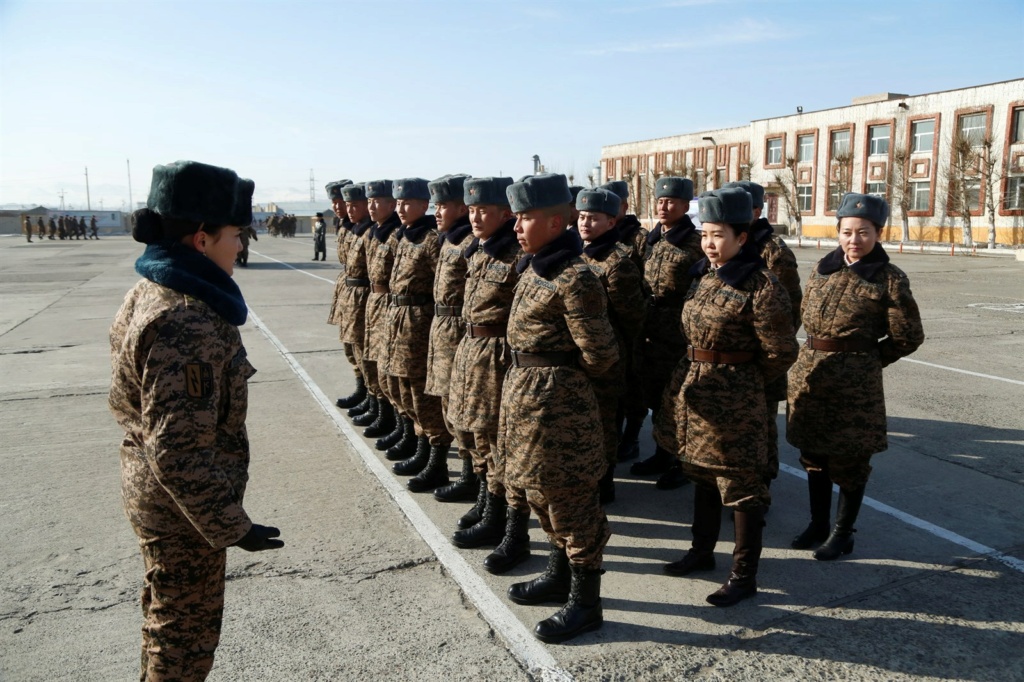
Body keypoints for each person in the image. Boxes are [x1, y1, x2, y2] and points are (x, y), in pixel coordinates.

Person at [108, 160, 284, 681]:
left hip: (159, 492)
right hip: (181, 509)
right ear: (202, 240)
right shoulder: (188, 316)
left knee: (165, 620)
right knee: (184, 638)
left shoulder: (151, 290)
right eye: (236, 234)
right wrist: (234, 525)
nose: (240, 245)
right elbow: (178, 450)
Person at [655, 187, 797, 607]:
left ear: (742, 238)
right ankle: (701, 553)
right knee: (699, 472)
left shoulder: (762, 287)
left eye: (719, 235)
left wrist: (742, 380)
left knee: (741, 486)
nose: (710, 244)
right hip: (695, 389)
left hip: (735, 400)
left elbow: (781, 351)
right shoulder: (704, 276)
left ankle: (743, 574)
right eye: (705, 234)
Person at [500, 173, 619, 643]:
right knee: (537, 491)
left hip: (557, 402)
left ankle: (587, 603)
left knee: (570, 499)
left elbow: (602, 353)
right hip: (526, 394)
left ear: (555, 221)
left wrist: (560, 379)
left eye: (525, 218)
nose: (517, 227)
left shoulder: (576, 276)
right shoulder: (535, 266)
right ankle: (559, 575)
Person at [787, 192, 924, 560]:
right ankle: (817, 523)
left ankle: (843, 532)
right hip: (811, 375)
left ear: (878, 232)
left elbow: (907, 336)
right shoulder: (822, 268)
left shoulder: (889, 278)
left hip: (854, 386)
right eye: (847, 231)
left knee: (849, 458)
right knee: (812, 453)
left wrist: (866, 361)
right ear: (838, 232)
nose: (854, 240)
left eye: (863, 232)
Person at [446, 176, 531, 575]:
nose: (476, 217)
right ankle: (487, 505)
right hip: (473, 351)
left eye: (485, 211)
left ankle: (513, 530)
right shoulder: (479, 252)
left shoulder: (517, 256)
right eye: (473, 210)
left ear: (506, 214)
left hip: (499, 358)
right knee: (479, 437)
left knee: (503, 447)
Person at [724, 180, 802, 496]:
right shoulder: (729, 242)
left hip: (758, 360)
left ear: (755, 211)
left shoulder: (773, 252)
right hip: (730, 362)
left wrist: (763, 358)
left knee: (761, 428)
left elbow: (789, 310)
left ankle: (760, 487)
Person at [630, 177, 704, 491]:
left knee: (678, 400)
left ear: (686, 206)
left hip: (677, 331)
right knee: (656, 396)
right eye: (660, 201)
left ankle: (681, 463)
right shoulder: (650, 239)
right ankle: (662, 453)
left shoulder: (696, 243)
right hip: (650, 326)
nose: (664, 206)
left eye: (671, 201)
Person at [382, 178, 454, 492]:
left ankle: (435, 460)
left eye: (407, 203)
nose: (400, 209)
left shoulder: (432, 239)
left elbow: (443, 288)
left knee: (422, 395)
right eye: (398, 203)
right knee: (399, 386)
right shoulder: (403, 237)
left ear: (423, 205)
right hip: (398, 318)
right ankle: (421, 448)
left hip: (420, 322)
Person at [575, 188, 647, 504]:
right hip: (578, 353)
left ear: (611, 221)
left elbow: (632, 316)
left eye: (594, 218)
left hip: (609, 354)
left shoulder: (619, 262)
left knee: (605, 421)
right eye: (581, 217)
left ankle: (605, 482)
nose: (585, 223)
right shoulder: (576, 255)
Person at [424, 174, 477, 504]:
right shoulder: (449, 240)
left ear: (461, 208)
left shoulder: (471, 243)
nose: (437, 212)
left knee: (465, 411)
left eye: (443, 205)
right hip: (443, 327)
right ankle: (449, 467)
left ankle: (471, 477)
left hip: (462, 332)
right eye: (436, 205)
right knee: (447, 406)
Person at [357, 180, 401, 439]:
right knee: (369, 359)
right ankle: (381, 412)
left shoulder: (396, 235)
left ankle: (397, 424)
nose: (370, 207)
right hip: (374, 301)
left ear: (391, 204)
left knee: (391, 371)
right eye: (369, 202)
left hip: (391, 306)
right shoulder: (376, 232)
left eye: (376, 202)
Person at [336, 183, 377, 420]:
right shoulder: (352, 228)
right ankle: (365, 394)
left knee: (367, 353)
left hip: (365, 295)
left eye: (354, 205)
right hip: (352, 293)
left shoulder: (373, 232)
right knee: (353, 348)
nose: (346, 209)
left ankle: (375, 404)